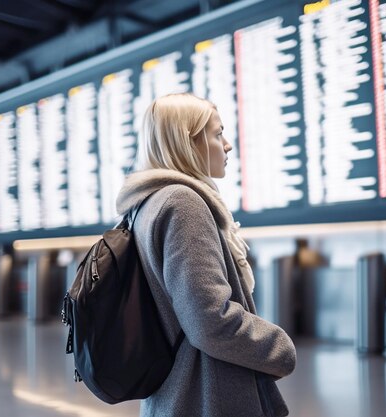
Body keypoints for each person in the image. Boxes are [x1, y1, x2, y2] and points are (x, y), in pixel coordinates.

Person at [115, 93, 296, 416]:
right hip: (205, 396)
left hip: (173, 394)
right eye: (217, 133)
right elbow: (209, 321)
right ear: (189, 141)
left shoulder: (147, 204)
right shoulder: (183, 203)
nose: (226, 145)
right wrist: (279, 347)